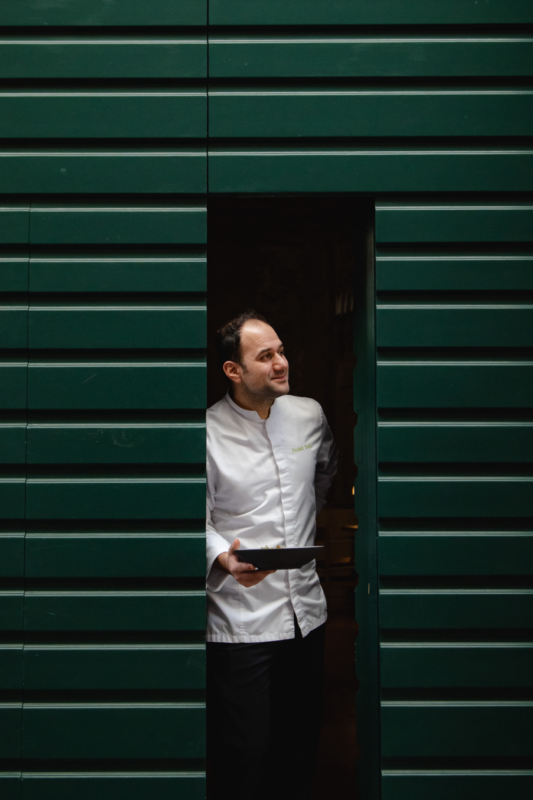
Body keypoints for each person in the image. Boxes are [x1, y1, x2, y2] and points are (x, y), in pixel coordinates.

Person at [206, 309, 338, 800]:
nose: (281, 363)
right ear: (233, 370)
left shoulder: (310, 414)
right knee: (245, 751)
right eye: (265, 356)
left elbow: (325, 472)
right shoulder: (207, 433)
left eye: (281, 351)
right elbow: (194, 519)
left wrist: (306, 518)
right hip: (242, 621)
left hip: (307, 613)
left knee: (300, 746)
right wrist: (223, 557)